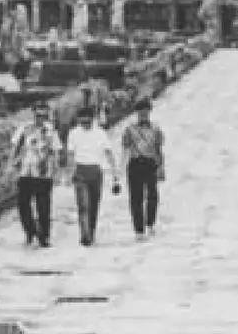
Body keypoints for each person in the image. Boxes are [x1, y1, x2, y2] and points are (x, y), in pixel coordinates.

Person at [64, 97, 121, 244]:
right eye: (82, 122)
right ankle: (85, 235)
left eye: (87, 121)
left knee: (94, 205)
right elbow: (70, 154)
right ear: (79, 120)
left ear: (92, 120)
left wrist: (115, 173)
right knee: (83, 205)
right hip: (80, 170)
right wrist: (70, 172)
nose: (85, 124)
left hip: (96, 171)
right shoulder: (74, 133)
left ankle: (91, 231)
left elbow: (108, 152)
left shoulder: (100, 133)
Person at [10, 104, 64, 247]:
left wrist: (56, 170)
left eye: (44, 116)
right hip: (25, 171)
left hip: (43, 172)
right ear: (34, 114)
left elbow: (56, 150)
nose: (41, 119)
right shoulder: (24, 128)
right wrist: (12, 164)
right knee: (23, 205)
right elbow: (15, 147)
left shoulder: (51, 131)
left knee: (43, 207)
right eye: (38, 115)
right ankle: (30, 231)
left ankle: (44, 236)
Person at [121, 99, 166, 235]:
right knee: (136, 197)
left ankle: (150, 223)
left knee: (153, 195)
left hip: (150, 163)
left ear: (149, 112)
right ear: (137, 113)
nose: (143, 115)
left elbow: (158, 149)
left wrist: (161, 167)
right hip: (135, 162)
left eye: (146, 112)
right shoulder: (129, 129)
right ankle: (139, 229)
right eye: (141, 112)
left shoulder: (156, 129)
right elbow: (125, 147)